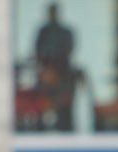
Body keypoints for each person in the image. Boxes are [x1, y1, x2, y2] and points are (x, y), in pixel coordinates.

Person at [33, 3, 77, 131]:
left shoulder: (66, 32)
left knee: (64, 109)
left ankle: (65, 128)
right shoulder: (43, 32)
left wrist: (57, 69)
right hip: (46, 74)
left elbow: (69, 50)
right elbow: (37, 51)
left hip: (63, 75)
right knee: (40, 105)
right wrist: (47, 68)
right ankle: (40, 127)